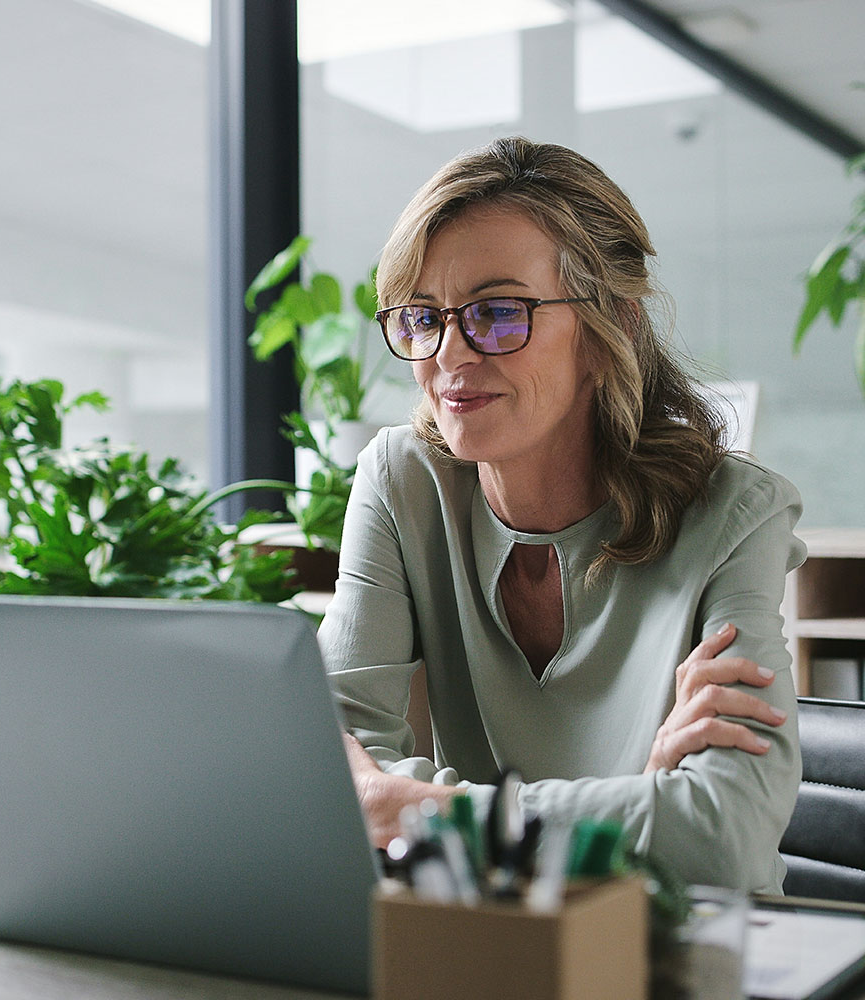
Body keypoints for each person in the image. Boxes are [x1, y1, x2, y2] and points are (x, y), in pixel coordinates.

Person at [318, 137, 805, 894]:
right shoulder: (402, 481)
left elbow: (722, 838)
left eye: (497, 313)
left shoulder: (735, 515)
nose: (449, 354)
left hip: (682, 943)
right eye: (421, 317)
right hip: (484, 938)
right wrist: (637, 805)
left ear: (613, 328)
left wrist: (413, 806)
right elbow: (323, 780)